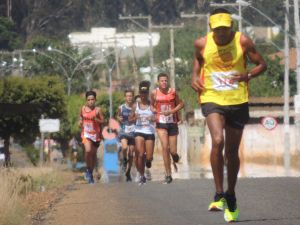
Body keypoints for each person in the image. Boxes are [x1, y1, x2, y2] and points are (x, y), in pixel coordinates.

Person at [191, 8, 267, 222]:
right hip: (212, 97)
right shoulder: (202, 43)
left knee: (232, 151)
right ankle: (218, 193)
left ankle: (231, 194)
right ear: (211, 28)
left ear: (231, 26)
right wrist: (194, 76)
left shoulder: (242, 41)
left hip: (237, 100)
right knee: (218, 140)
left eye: (225, 28)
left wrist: (248, 74)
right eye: (217, 29)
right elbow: (198, 61)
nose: (221, 33)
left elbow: (262, 64)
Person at [150, 73, 184, 184]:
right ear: (158, 82)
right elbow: (151, 105)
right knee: (165, 147)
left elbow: (181, 104)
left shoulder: (173, 92)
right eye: (161, 81)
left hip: (172, 122)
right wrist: (154, 110)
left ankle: (175, 156)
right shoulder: (154, 93)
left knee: (173, 151)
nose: (164, 83)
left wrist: (171, 111)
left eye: (165, 81)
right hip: (161, 123)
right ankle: (168, 174)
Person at [130, 81, 156, 186]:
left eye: (145, 93)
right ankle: (142, 175)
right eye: (142, 93)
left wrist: (152, 118)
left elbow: (157, 117)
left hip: (149, 132)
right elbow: (130, 119)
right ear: (140, 94)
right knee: (140, 154)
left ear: (147, 94)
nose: (143, 95)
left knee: (149, 157)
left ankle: (148, 161)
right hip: (139, 131)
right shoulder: (135, 106)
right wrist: (134, 117)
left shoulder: (152, 105)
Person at [79, 90, 104, 184]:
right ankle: (88, 170)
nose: (90, 101)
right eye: (88, 99)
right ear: (86, 100)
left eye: (92, 99)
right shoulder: (83, 109)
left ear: (95, 100)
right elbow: (80, 117)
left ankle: (90, 172)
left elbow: (102, 121)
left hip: (95, 135)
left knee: (93, 155)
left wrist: (96, 119)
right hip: (86, 133)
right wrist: (80, 122)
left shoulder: (98, 110)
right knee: (88, 150)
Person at [116, 90, 135, 182]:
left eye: (131, 96)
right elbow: (118, 116)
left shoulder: (136, 107)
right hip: (123, 131)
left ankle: (128, 171)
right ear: (125, 97)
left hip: (133, 132)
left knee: (131, 153)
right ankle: (124, 160)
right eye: (127, 96)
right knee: (124, 147)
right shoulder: (121, 107)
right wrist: (119, 118)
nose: (129, 98)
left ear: (133, 97)